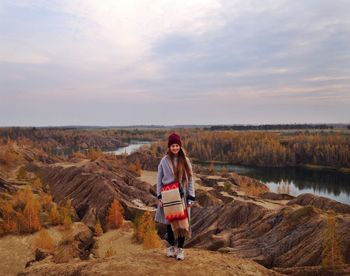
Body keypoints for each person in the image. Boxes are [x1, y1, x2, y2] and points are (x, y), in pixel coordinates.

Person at [155, 133, 195, 260]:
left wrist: (191, 196)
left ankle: (180, 250)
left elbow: (190, 180)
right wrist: (159, 196)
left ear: (180, 146)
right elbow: (159, 179)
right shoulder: (164, 161)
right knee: (170, 224)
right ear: (169, 147)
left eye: (177, 145)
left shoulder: (185, 161)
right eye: (173, 145)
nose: (175, 148)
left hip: (182, 197)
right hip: (168, 196)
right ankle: (171, 247)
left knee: (182, 225)